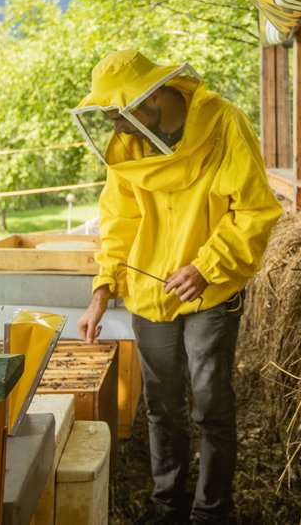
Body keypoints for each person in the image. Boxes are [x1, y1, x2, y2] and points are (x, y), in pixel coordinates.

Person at [71, 50, 282, 525]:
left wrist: (207, 265)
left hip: (210, 291)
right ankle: (167, 505)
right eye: (108, 118)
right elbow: (119, 220)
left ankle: (212, 511)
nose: (117, 127)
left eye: (120, 115)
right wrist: (103, 288)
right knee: (162, 407)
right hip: (149, 295)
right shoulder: (126, 147)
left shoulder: (224, 123)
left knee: (209, 404)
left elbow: (254, 209)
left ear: (155, 95)